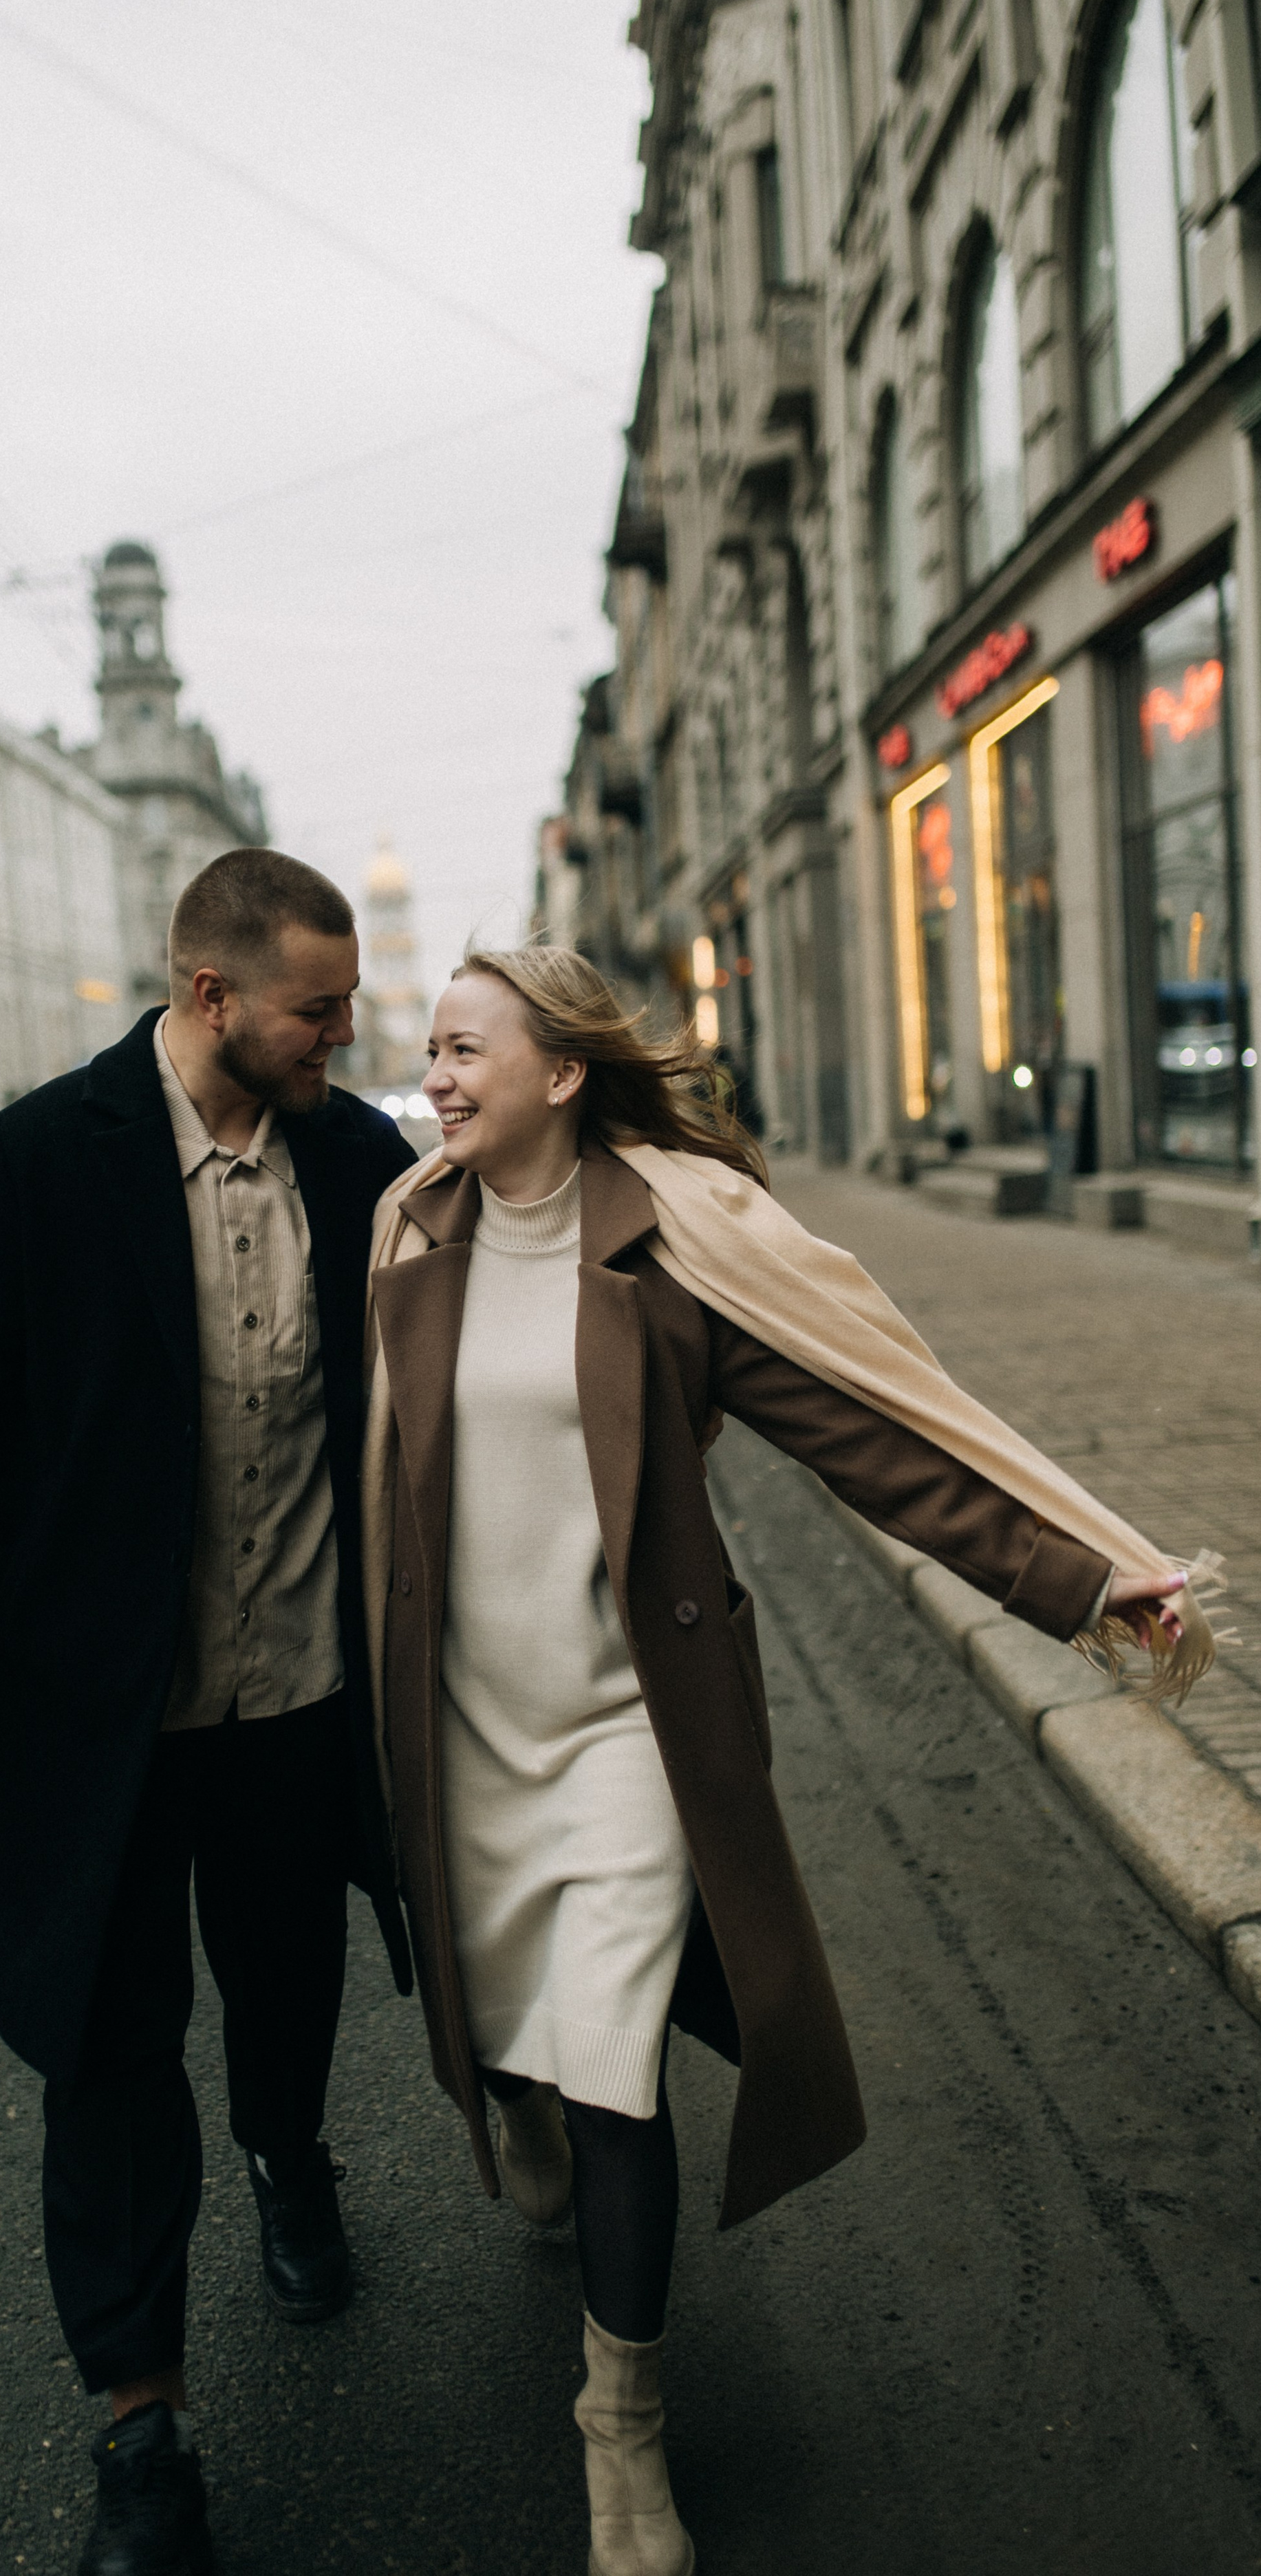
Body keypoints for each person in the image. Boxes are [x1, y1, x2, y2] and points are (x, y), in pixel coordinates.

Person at [363, 944, 1207, 2576]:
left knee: (615, 2074)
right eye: (433, 1052)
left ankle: (619, 2423)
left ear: (559, 1075)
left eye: (465, 1051)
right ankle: (513, 2090)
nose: (435, 1078)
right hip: (463, 1720)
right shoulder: (408, 1230)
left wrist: (1080, 1578)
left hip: (628, 1728)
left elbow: (874, 1439)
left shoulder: (675, 1245)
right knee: (515, 2029)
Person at [0, 849, 418, 2576]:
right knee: (106, 2050)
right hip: (95, 1709)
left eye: (349, 1006)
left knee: (285, 1975)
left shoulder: (355, 1158)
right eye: (317, 1009)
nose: (342, 1034)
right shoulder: (39, 1161)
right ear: (210, 995)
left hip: (297, 1686)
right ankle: (139, 2426)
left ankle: (288, 2157)